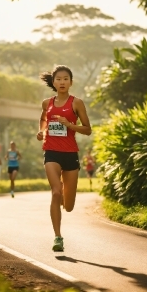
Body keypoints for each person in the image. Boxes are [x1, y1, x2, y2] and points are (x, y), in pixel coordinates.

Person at [36, 65, 92, 252]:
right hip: (51, 151)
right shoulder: (47, 103)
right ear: (53, 82)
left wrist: (69, 125)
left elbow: (87, 129)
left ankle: (62, 195)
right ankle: (58, 237)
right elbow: (44, 119)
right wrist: (41, 131)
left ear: (71, 82)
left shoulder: (77, 103)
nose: (62, 82)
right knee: (56, 192)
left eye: (65, 79)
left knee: (68, 206)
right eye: (58, 79)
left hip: (70, 155)